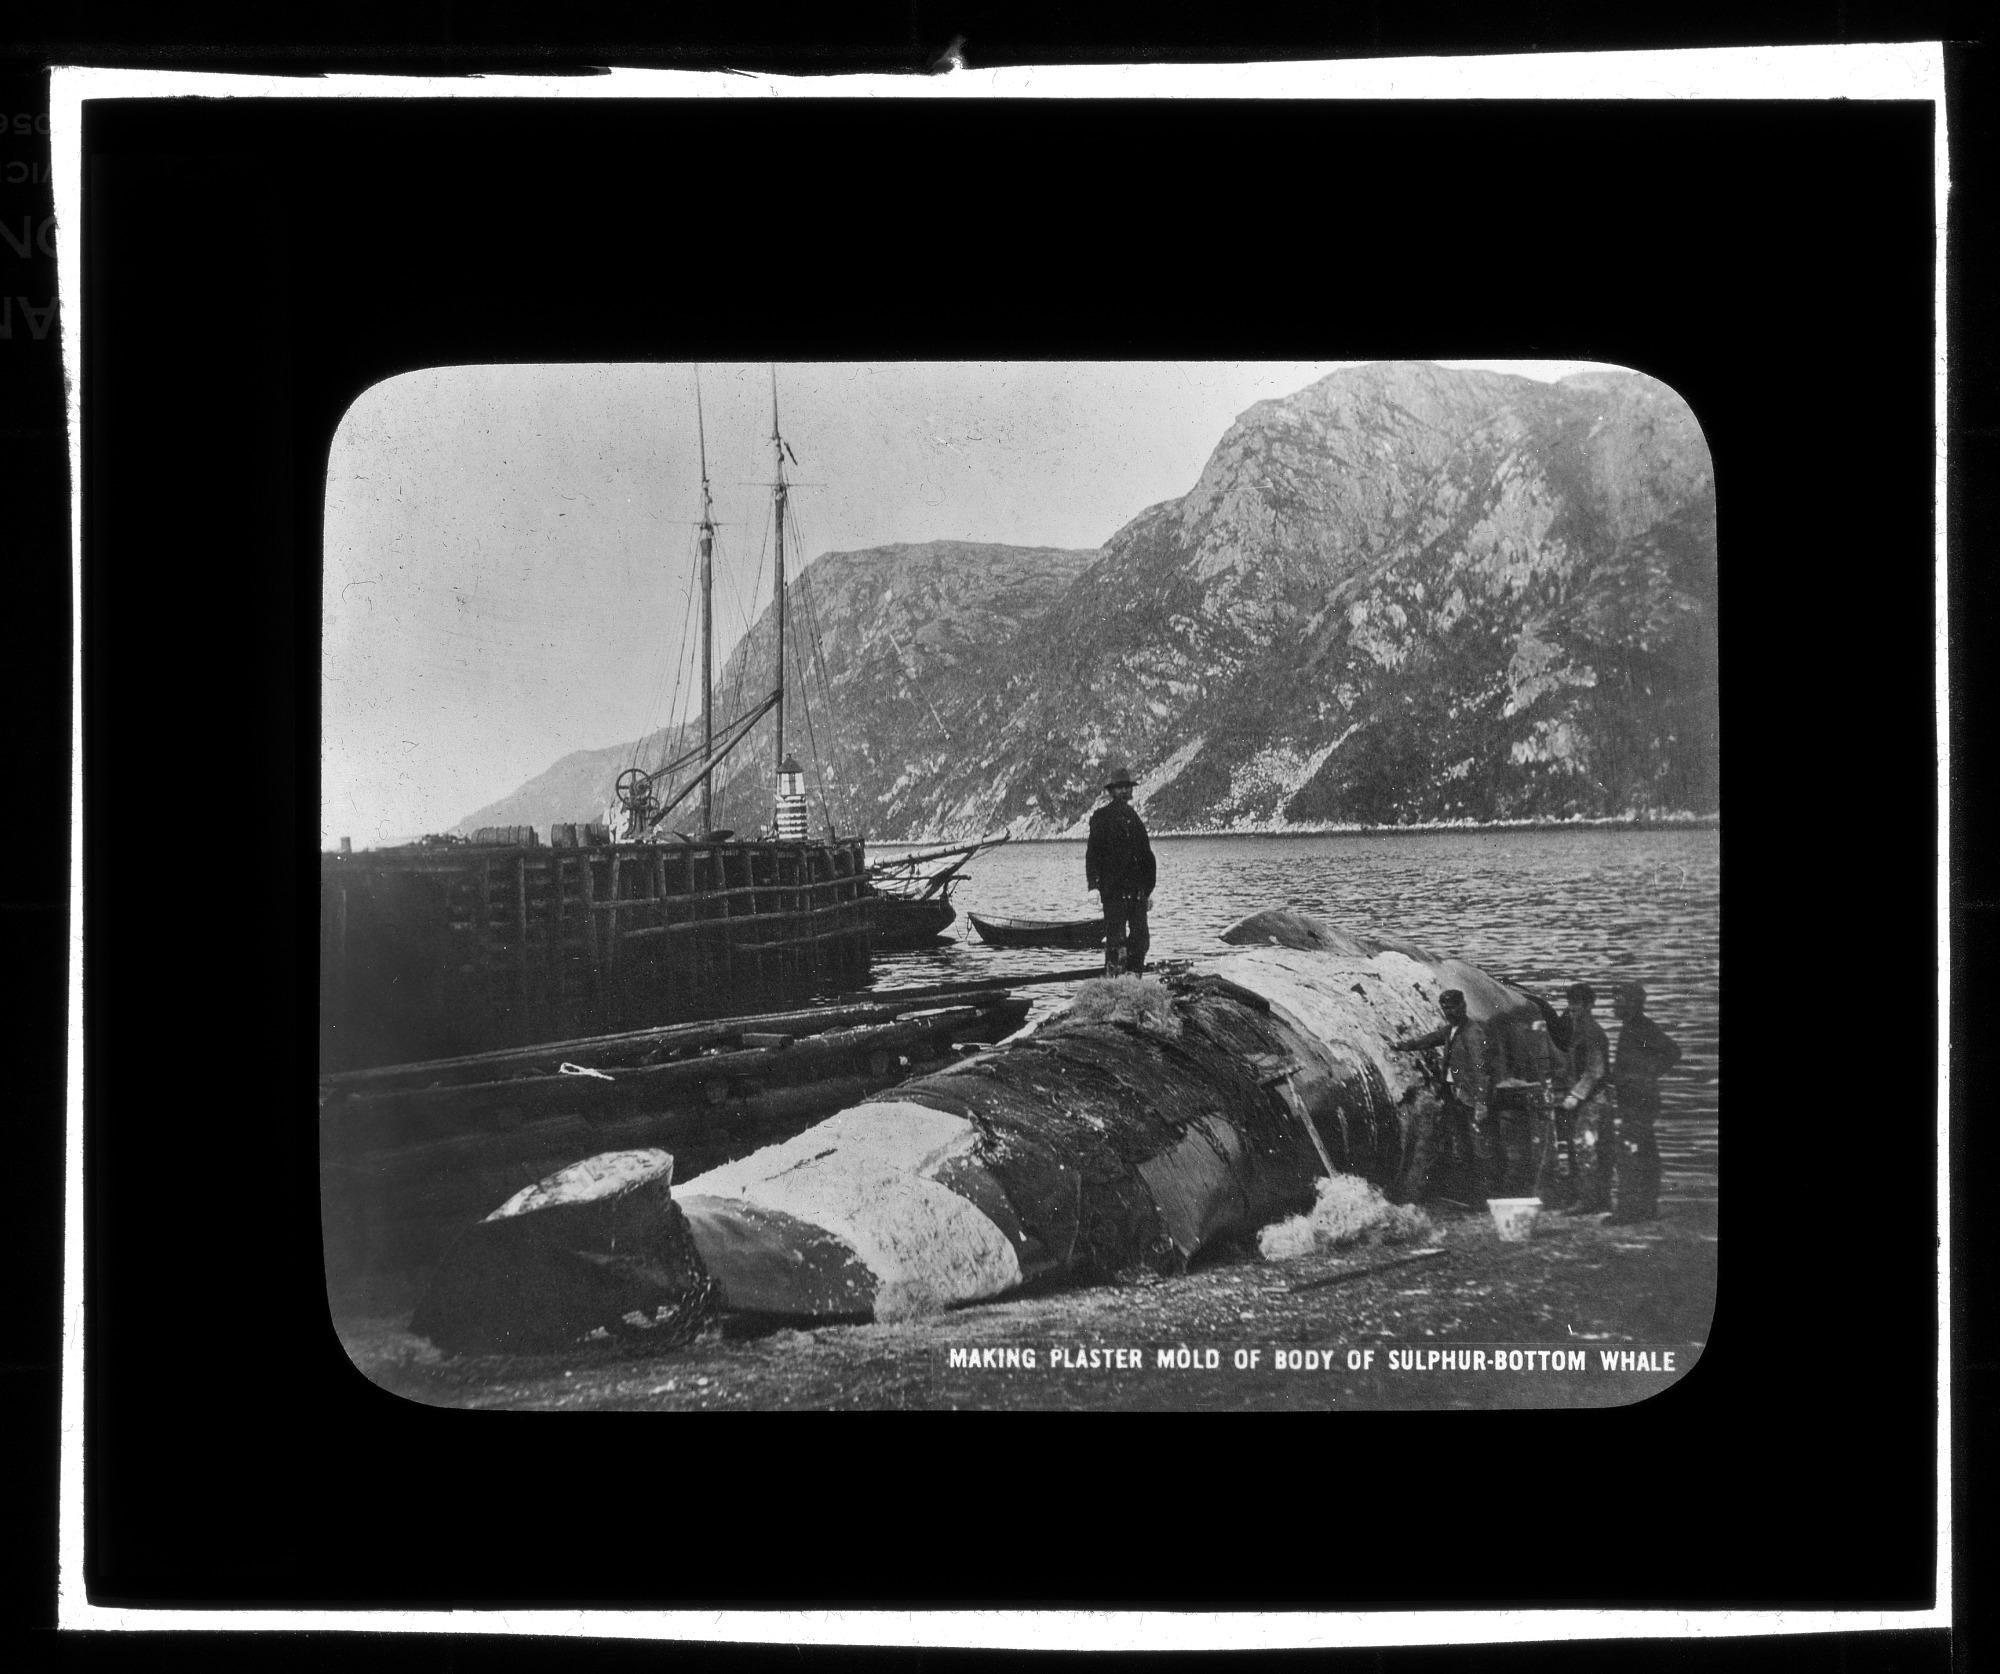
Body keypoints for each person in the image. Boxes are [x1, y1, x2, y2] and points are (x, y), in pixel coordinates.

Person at [1391, 989, 1498, 1204]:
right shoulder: (1452, 1030)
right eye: (1445, 1008)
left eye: (1453, 1008)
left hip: (1470, 1097)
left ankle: (1487, 1194)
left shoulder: (1472, 1033)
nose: (1449, 1012)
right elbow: (1430, 1039)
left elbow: (1481, 1070)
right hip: (1455, 1095)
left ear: (1463, 1006)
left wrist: (1481, 1103)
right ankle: (1470, 1193)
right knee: (1462, 1143)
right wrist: (1403, 1046)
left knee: (1479, 1146)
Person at [1607, 981, 1681, 1223]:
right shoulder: (1632, 1026)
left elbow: (1673, 1051)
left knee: (1628, 1149)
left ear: (1633, 1003)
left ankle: (1629, 1210)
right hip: (1636, 1098)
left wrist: (1647, 1075)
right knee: (1645, 1151)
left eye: (1619, 1000)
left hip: (1639, 1099)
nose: (1614, 1005)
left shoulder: (1641, 1027)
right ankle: (1647, 1206)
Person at [1085, 762, 1156, 976]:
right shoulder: (1101, 817)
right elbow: (1093, 854)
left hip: (1136, 892)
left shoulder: (1134, 818)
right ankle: (1113, 981)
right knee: (1116, 941)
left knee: (1141, 939)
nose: (1124, 791)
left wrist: (1147, 890)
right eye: (1119, 787)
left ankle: (1134, 979)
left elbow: (1146, 855)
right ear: (1111, 791)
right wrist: (1093, 886)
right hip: (1113, 891)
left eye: (1127, 787)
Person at [1555, 982, 1613, 1214]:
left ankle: (1590, 1200)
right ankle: (1596, 1198)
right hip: (1587, 1098)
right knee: (1586, 1146)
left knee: (1585, 1146)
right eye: (1570, 1003)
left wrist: (1575, 1095)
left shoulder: (1591, 1031)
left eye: (1577, 1004)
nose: (1572, 1008)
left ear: (1590, 1004)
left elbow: (1595, 1071)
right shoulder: (1579, 1028)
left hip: (1594, 1099)